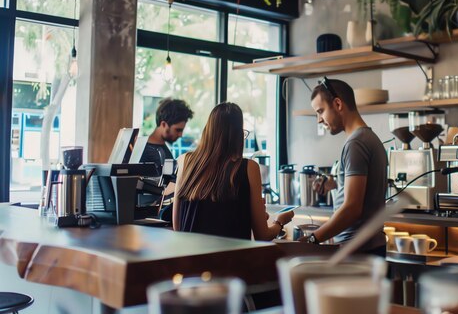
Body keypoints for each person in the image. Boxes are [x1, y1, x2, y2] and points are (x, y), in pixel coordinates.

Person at [172, 102, 294, 240]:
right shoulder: (249, 168)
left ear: (208, 131)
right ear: (237, 134)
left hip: (189, 259)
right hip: (230, 260)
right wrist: (279, 222)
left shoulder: (185, 161)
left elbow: (177, 227)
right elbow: (262, 236)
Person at [304, 77, 388, 256]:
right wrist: (336, 185)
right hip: (369, 247)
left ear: (337, 104)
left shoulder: (356, 143)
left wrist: (314, 238)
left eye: (320, 111)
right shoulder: (369, 138)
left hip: (359, 251)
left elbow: (352, 208)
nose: (319, 119)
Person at [140, 98, 194, 173]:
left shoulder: (164, 149)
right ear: (164, 124)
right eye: (178, 130)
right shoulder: (142, 151)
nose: (180, 135)